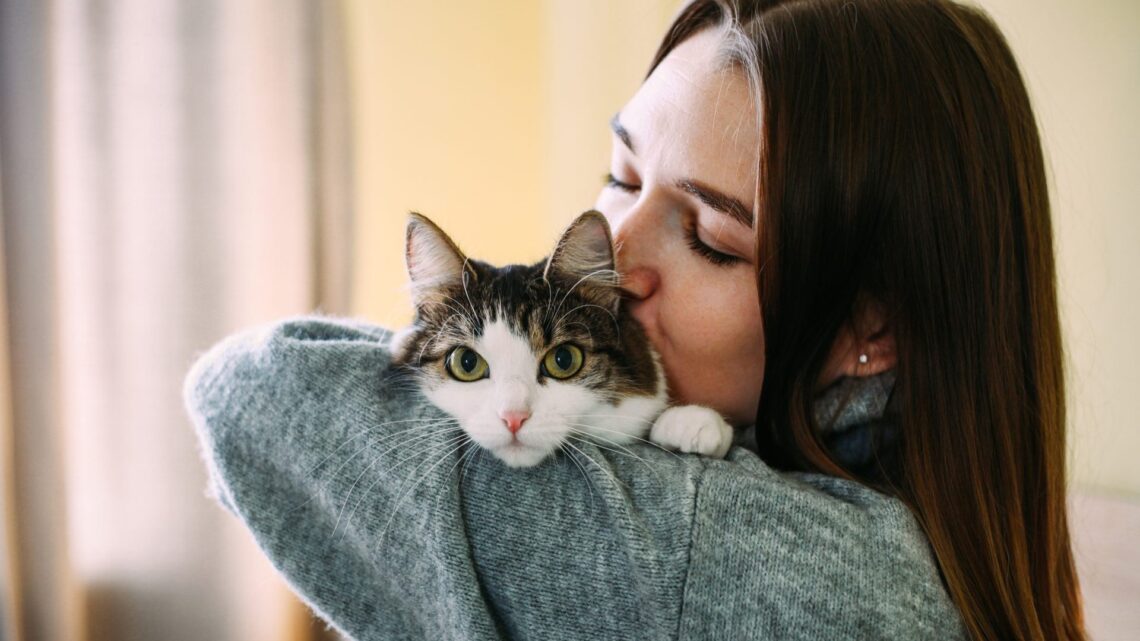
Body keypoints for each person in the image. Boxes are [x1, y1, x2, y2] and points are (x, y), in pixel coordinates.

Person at [184, 0, 1086, 639]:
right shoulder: (919, 521)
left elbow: (255, 392)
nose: (613, 260)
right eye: (620, 175)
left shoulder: (757, 568)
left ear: (872, 332)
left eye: (710, 237)